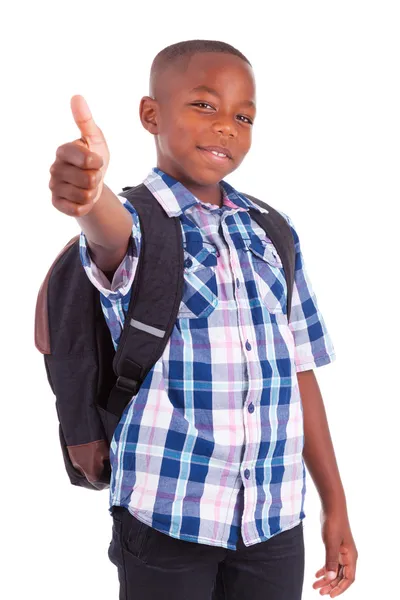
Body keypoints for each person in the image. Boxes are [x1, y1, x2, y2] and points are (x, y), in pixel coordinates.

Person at [48, 39, 358, 600]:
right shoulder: (138, 222)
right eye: (204, 105)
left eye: (244, 116)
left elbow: (301, 372)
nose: (227, 128)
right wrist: (87, 196)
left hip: (273, 516)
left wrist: (334, 507)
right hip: (168, 511)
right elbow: (107, 230)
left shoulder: (273, 231)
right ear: (152, 115)